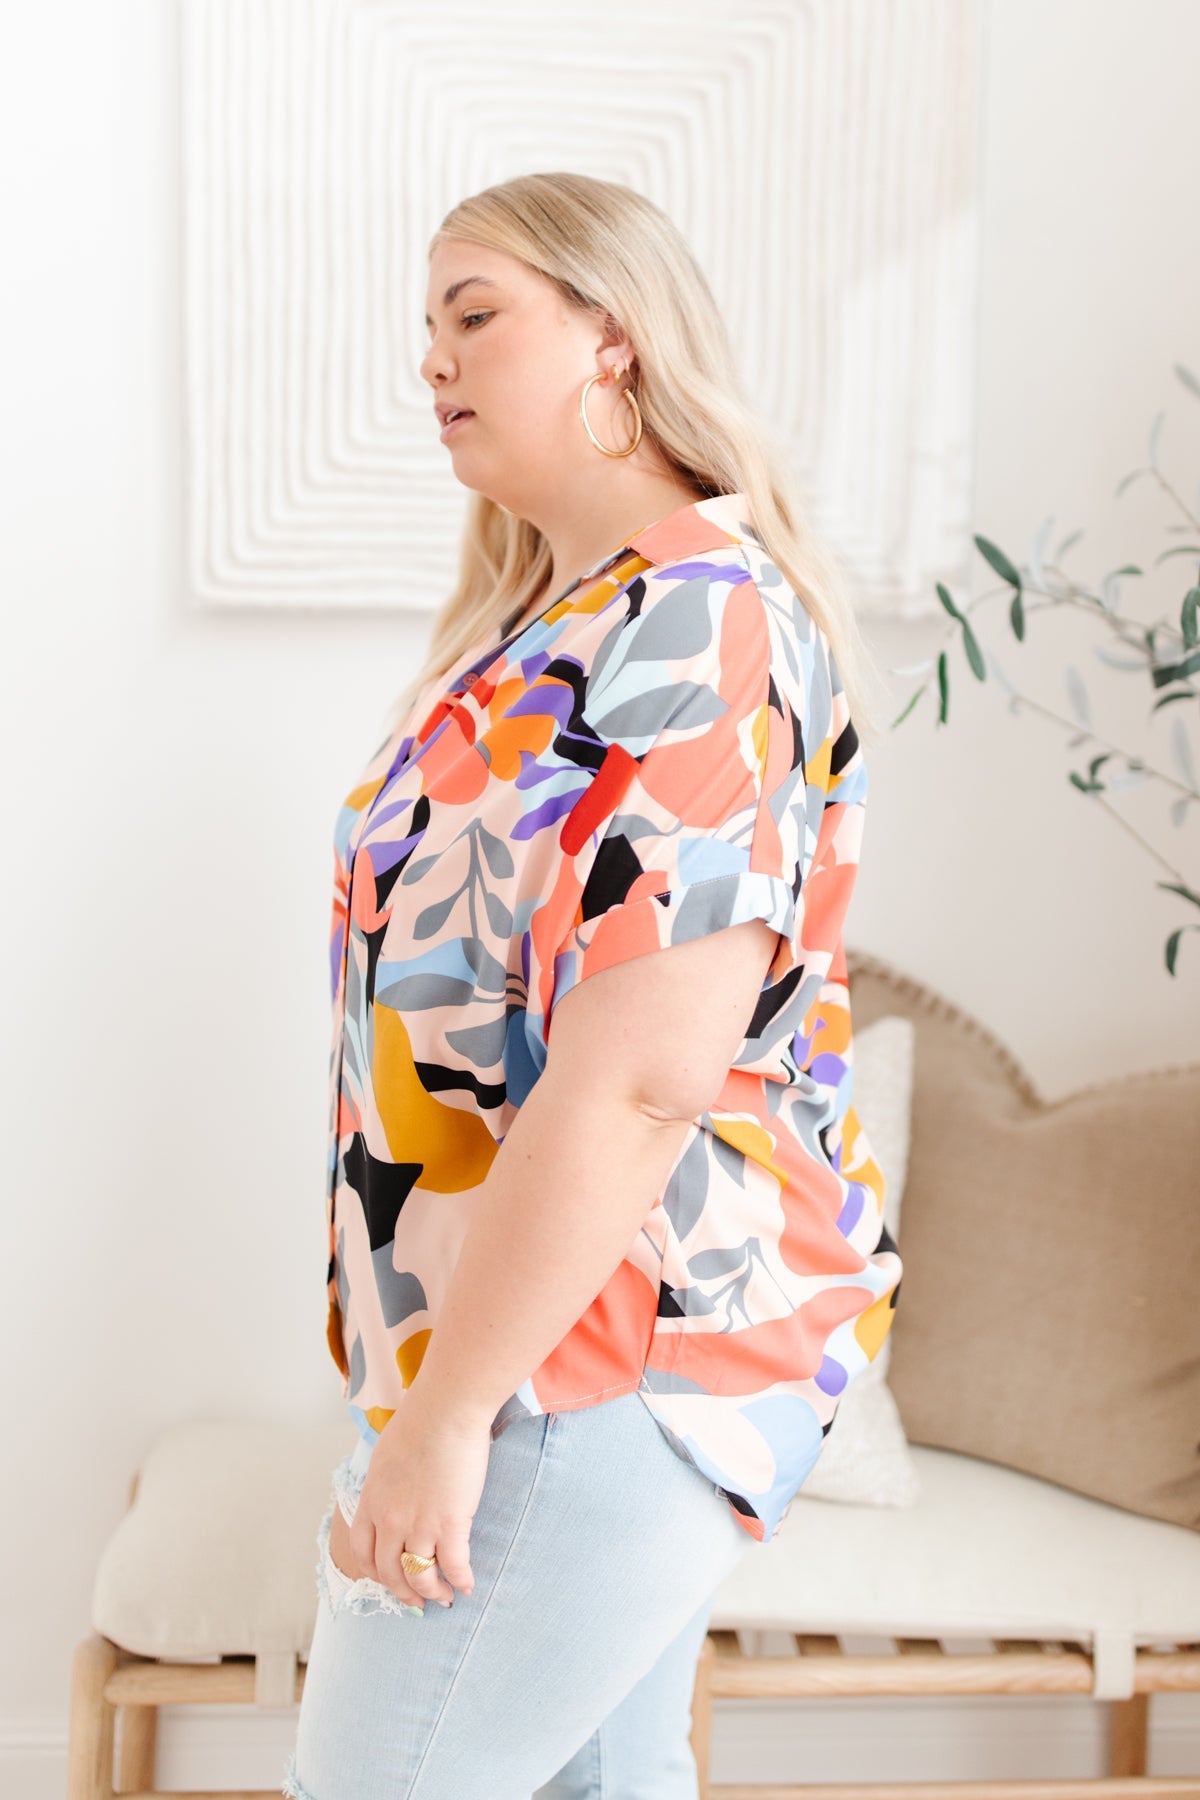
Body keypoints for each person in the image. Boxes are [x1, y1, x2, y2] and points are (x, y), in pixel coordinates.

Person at [283, 170, 903, 1800]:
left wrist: (448, 1418)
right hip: (533, 1343)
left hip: (601, 1351)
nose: (434, 358)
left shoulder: (700, 620)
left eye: (477, 314)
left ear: (615, 339)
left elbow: (642, 1077)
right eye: (428, 325)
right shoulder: (556, 630)